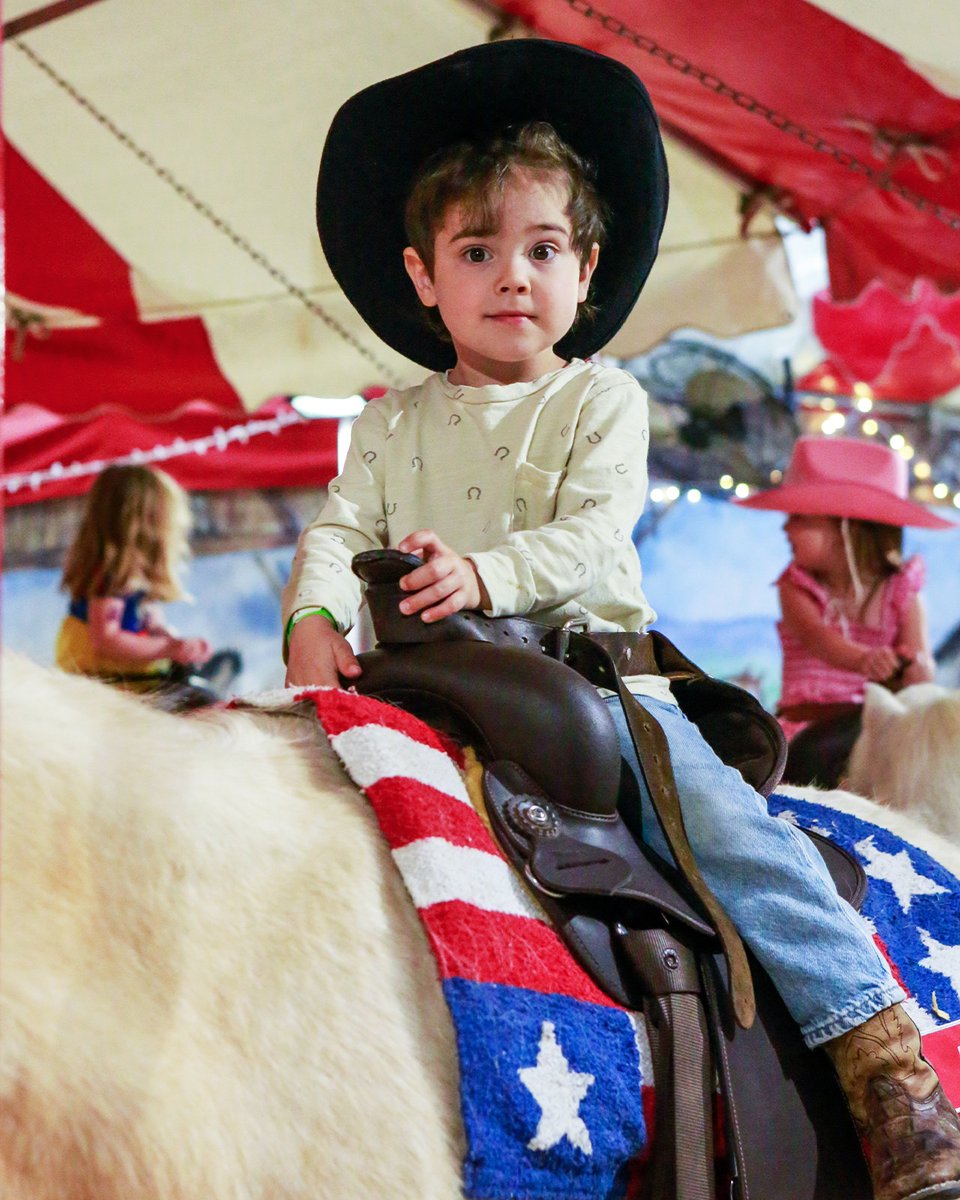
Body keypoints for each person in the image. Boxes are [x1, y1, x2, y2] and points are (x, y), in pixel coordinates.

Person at [283, 40, 960, 1200]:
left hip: (593, 680)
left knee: (729, 835)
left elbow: (599, 534)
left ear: (585, 270)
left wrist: (490, 577)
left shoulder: (599, 397)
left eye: (543, 250)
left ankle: (882, 1061)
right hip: (426, 680)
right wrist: (312, 612)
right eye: (478, 250)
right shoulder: (391, 426)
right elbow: (343, 530)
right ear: (422, 276)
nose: (513, 277)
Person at [737, 435, 953, 788]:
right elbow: (819, 640)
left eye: (798, 518)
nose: (785, 527)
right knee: (808, 757)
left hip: (875, 724)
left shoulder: (904, 591)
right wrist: (866, 660)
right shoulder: (796, 587)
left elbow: (920, 664)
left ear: (844, 528)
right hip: (807, 723)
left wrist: (913, 667)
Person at [57, 464, 213, 687]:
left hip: (127, 674)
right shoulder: (112, 577)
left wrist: (174, 641)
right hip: (101, 677)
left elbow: (151, 620)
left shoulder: (138, 577)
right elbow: (106, 640)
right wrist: (168, 648)